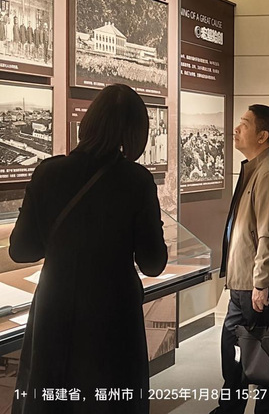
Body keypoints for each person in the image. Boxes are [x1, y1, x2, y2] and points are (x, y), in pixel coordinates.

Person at [9, 84, 168, 414]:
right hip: (113, 313)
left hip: (54, 306)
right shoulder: (136, 180)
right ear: (135, 131)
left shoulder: (48, 172)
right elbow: (153, 263)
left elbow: (21, 250)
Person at [213, 105, 269, 414]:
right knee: (234, 351)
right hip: (244, 283)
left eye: (244, 124)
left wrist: (261, 283)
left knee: (263, 358)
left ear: (262, 136)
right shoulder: (256, 168)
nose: (236, 129)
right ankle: (229, 408)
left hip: (257, 286)